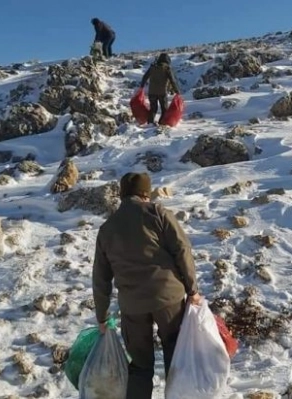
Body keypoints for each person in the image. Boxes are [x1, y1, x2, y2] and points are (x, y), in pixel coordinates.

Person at [92, 172, 202, 399]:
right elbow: (182, 250)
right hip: (168, 299)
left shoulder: (107, 228)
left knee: (140, 366)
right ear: (145, 193)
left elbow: (101, 277)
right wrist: (192, 290)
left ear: (122, 195)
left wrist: (102, 317)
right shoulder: (157, 213)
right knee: (176, 357)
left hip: (132, 306)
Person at [140, 53, 181, 125]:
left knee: (153, 109)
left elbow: (145, 77)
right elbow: (172, 80)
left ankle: (150, 123)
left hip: (151, 92)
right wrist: (177, 91)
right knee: (164, 110)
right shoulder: (167, 68)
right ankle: (161, 123)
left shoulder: (152, 67)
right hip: (162, 93)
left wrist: (141, 87)